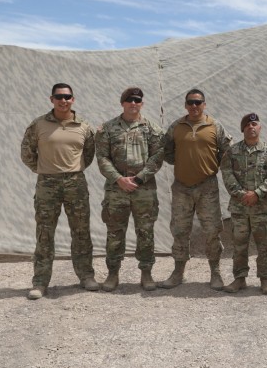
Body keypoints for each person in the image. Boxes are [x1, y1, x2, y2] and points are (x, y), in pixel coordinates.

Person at [20, 83, 99, 300]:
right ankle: (40, 282)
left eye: (67, 97)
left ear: (73, 99)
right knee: (45, 234)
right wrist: (44, 170)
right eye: (59, 96)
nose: (63, 100)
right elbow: (27, 152)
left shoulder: (83, 126)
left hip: (76, 183)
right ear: (51, 99)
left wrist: (73, 169)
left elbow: (89, 154)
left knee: (81, 232)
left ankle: (86, 276)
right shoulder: (38, 125)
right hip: (47, 184)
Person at [160, 88, 232, 290]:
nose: (194, 106)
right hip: (181, 187)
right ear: (185, 105)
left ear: (204, 104)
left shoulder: (215, 126)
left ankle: (215, 272)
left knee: (212, 231)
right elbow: (167, 152)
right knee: (180, 230)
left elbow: (227, 153)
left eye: (198, 102)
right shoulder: (177, 126)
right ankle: (178, 272)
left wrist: (210, 166)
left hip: (207, 186)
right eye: (190, 102)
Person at [95, 87, 165, 292]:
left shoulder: (152, 129)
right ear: (122, 103)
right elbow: (102, 157)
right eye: (129, 100)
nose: (133, 103)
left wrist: (140, 178)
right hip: (116, 190)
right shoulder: (107, 129)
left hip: (144, 189)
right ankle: (112, 273)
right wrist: (119, 179)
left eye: (137, 100)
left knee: (145, 232)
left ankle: (146, 273)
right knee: (115, 232)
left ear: (142, 103)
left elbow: (157, 156)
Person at [220, 113, 267, 295]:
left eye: (254, 124)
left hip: (261, 207)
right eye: (247, 125)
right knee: (239, 244)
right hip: (240, 207)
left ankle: (265, 279)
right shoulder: (232, 151)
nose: (251, 127)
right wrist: (241, 194)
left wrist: (258, 193)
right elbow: (227, 173)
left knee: (264, 245)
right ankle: (239, 279)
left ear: (260, 127)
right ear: (243, 129)